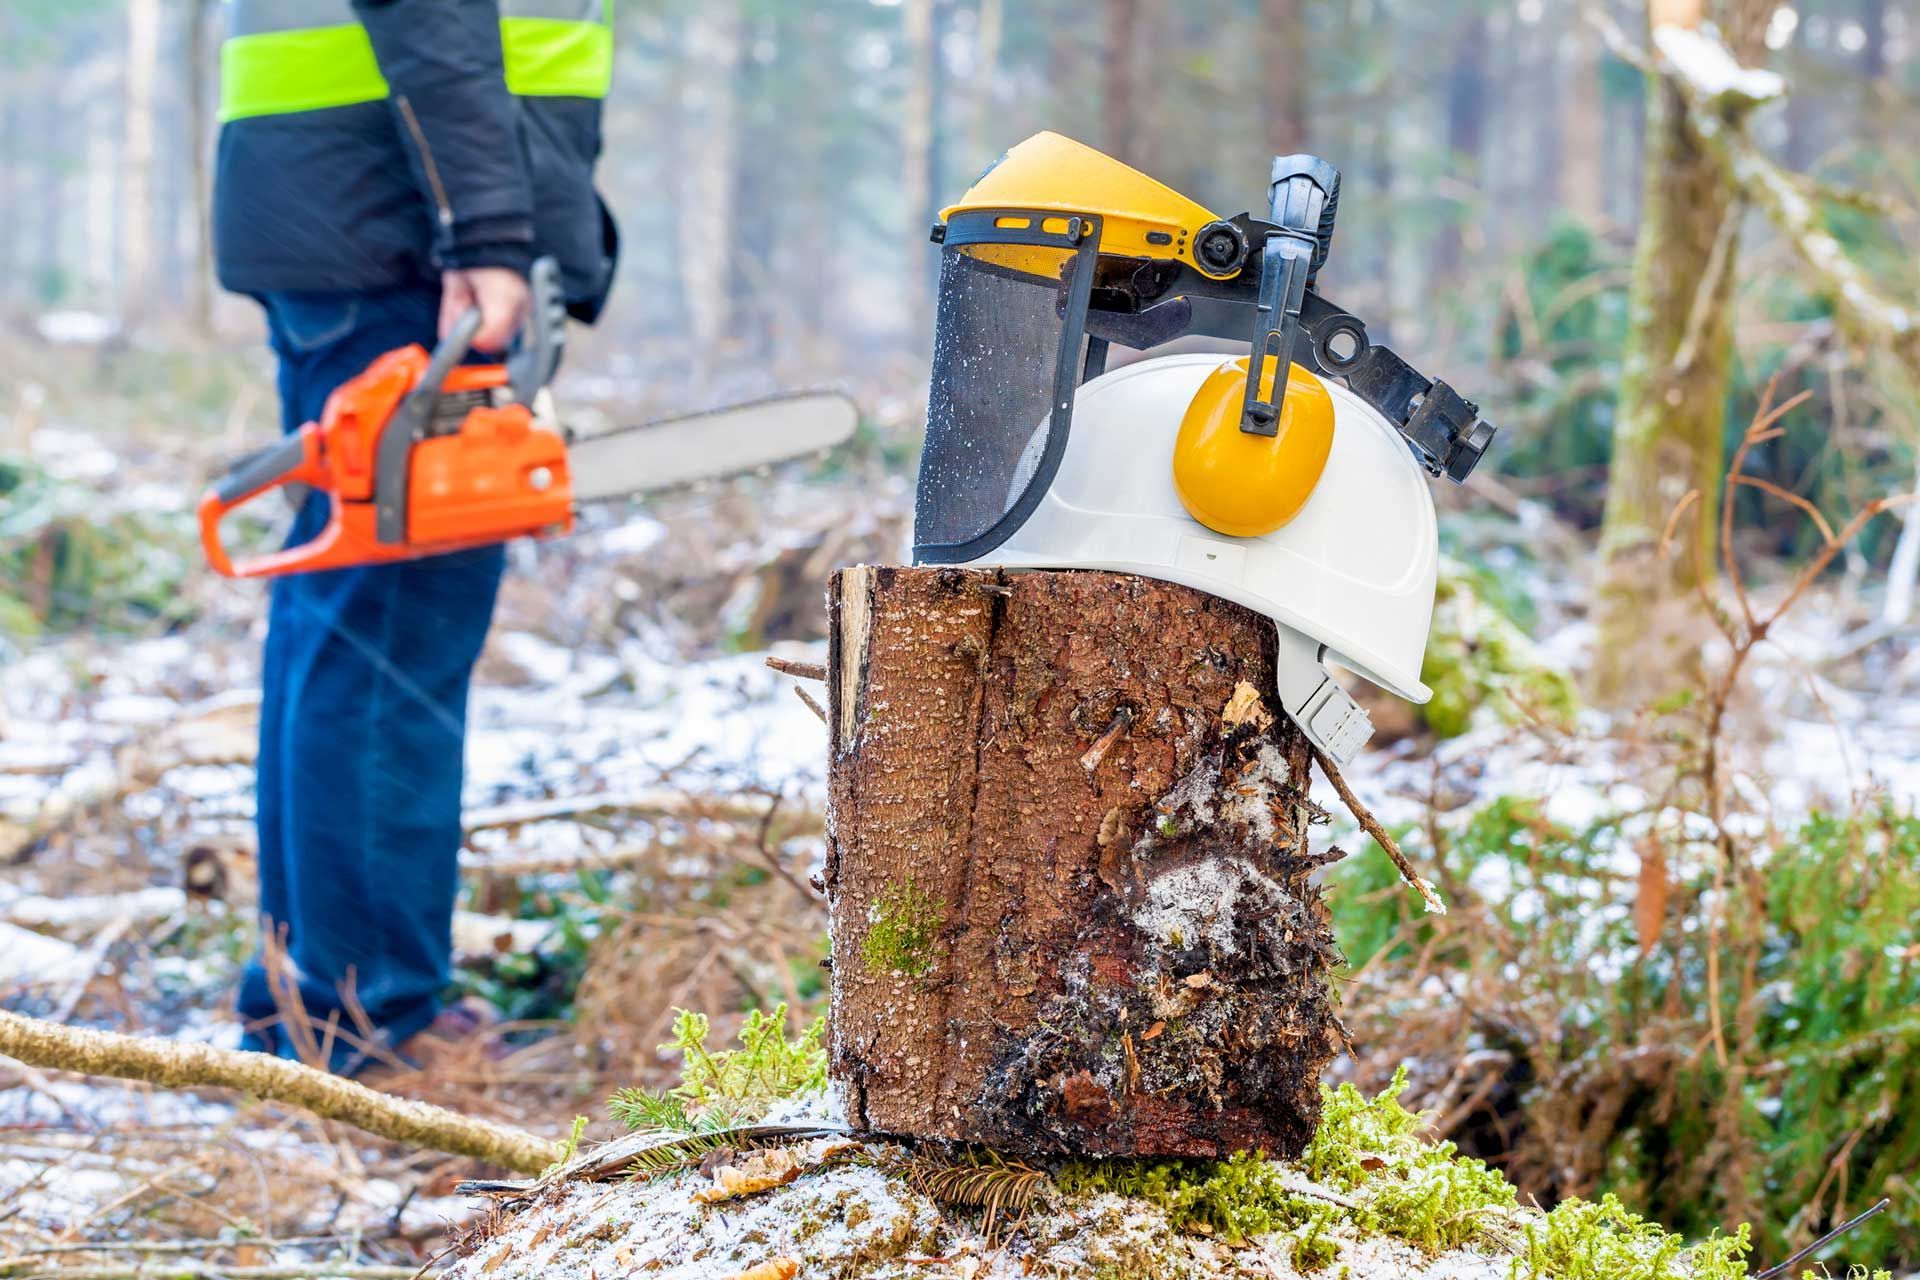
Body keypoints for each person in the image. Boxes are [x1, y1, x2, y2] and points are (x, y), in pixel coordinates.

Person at [212, 0, 618, 1073]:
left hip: (362, 193)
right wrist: (483, 226)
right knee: (390, 632)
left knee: (345, 616)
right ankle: (372, 1023)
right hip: (400, 214)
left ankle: (316, 1001)